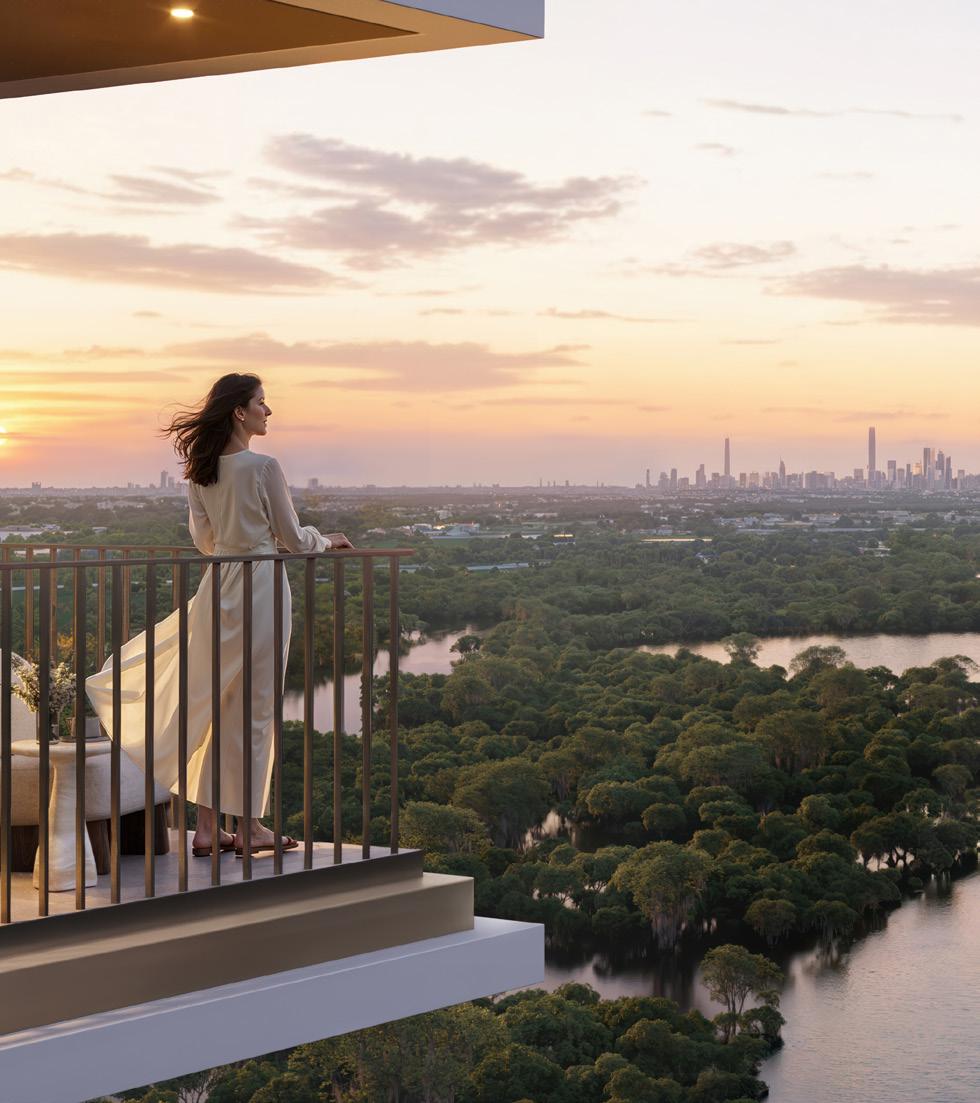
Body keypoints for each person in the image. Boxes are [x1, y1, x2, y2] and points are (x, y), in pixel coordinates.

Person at [86, 373, 352, 857]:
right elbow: (293, 540)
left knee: (213, 703)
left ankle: (208, 829)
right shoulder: (263, 466)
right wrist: (325, 540)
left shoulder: (200, 470)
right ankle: (249, 828)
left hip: (219, 588)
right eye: (262, 403)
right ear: (240, 412)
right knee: (253, 709)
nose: (268, 412)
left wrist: (239, 544)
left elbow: (204, 542)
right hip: (262, 589)